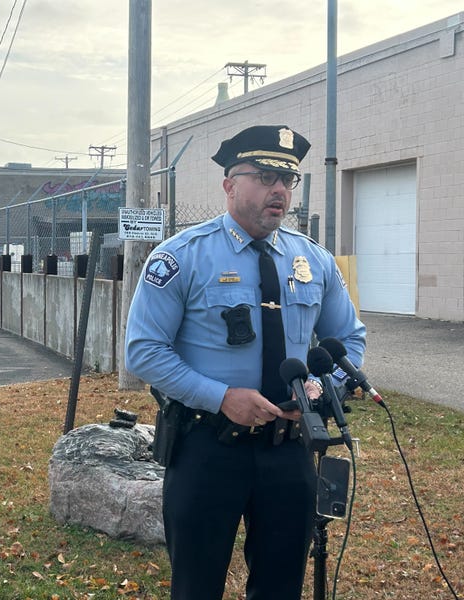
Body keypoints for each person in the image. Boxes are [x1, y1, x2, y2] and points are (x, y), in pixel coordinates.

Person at [125, 124, 366, 600]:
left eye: (287, 180)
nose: (279, 190)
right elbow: (144, 351)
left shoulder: (313, 261)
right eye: (264, 177)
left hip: (289, 448)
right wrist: (222, 397)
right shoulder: (181, 257)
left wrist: (326, 389)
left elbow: (348, 340)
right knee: (196, 586)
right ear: (230, 185)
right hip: (207, 447)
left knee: (281, 585)